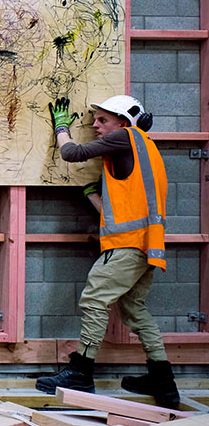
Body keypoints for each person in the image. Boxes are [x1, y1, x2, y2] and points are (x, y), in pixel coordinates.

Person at [35, 95, 179, 408]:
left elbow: (72, 153)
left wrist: (61, 127)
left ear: (124, 123)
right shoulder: (146, 148)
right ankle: (164, 382)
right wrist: (90, 194)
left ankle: (81, 372)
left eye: (103, 120)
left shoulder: (126, 137)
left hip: (128, 245)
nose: (96, 126)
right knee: (134, 311)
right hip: (146, 245)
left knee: (93, 299)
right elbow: (122, 209)